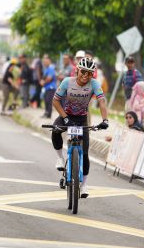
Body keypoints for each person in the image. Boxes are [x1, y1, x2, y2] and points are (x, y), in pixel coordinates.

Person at [51, 56, 109, 198]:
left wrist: (105, 120)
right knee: (55, 130)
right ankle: (60, 158)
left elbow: (102, 102)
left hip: (82, 119)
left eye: (89, 73)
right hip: (66, 116)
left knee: (85, 153)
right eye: (83, 72)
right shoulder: (67, 82)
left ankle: (84, 185)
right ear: (77, 70)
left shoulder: (94, 84)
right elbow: (55, 101)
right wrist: (65, 118)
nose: (85, 76)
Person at [40, 54, 57, 119]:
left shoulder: (51, 68)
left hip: (51, 87)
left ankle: (49, 114)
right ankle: (46, 113)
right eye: (43, 61)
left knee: (49, 101)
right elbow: (44, 77)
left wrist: (43, 82)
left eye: (45, 61)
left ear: (49, 61)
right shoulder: (46, 69)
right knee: (46, 100)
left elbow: (49, 78)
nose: (44, 62)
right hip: (46, 87)